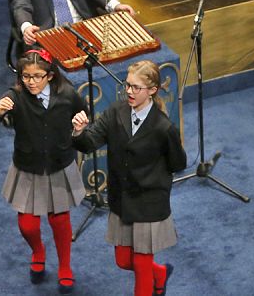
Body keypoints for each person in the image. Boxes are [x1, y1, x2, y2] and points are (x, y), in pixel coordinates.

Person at [71, 60, 186, 296]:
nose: (130, 92)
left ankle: (152, 278)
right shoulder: (115, 111)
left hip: (149, 203)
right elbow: (90, 142)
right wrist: (79, 132)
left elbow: (178, 163)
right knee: (123, 261)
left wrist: (155, 179)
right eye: (128, 86)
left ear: (152, 90)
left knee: (142, 266)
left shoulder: (163, 128)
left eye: (136, 88)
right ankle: (160, 273)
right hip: (121, 199)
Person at [0, 48, 87, 294]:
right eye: (26, 77)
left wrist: (79, 128)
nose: (31, 82)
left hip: (58, 164)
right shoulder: (16, 96)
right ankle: (38, 251)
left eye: (37, 76)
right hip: (28, 167)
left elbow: (84, 113)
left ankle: (64, 267)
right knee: (28, 225)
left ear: (50, 75)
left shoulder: (68, 95)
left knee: (59, 220)